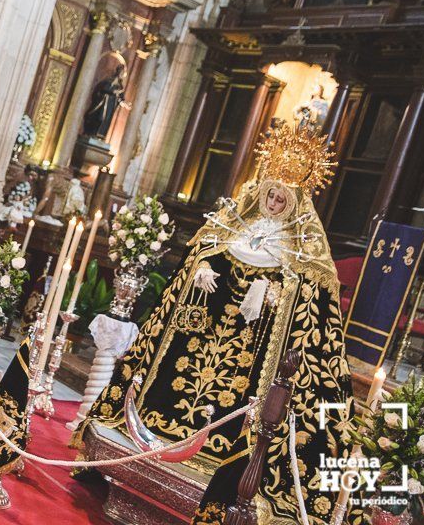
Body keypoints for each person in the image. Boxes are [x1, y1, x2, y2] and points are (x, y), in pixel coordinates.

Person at [72, 127, 360, 524]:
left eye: (282, 199)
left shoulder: (303, 250)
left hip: (249, 357)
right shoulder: (234, 226)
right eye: (271, 194)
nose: (274, 203)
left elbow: (307, 300)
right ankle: (153, 434)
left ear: (294, 205)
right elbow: (203, 251)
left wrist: (273, 291)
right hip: (200, 335)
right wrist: (204, 267)